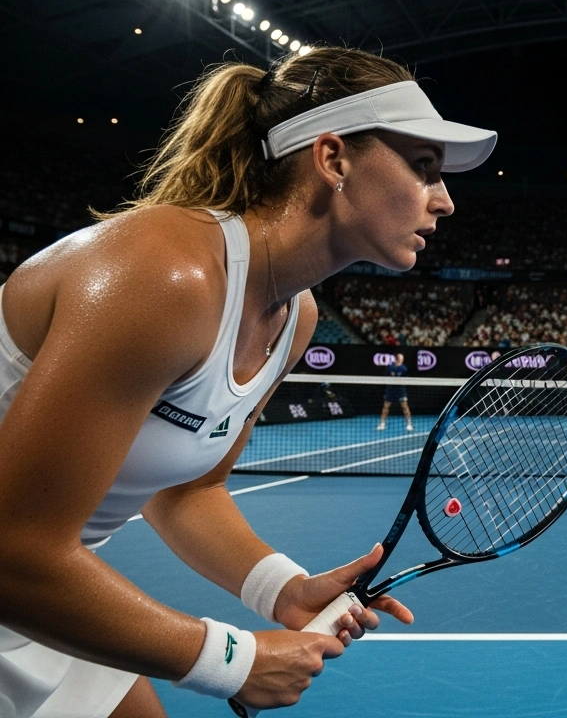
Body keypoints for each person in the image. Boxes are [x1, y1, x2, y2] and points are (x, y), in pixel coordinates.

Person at [0, 46, 497, 715]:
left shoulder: (295, 318)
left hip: (31, 594)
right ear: (334, 159)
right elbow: (12, 550)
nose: (446, 201)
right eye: (424, 166)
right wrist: (228, 661)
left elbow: (186, 487)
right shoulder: (167, 275)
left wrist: (283, 590)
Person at [377, 352, 413, 432]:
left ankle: (409, 424)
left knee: (405, 407)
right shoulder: (390, 367)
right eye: (401, 358)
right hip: (390, 390)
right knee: (386, 407)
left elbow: (405, 379)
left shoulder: (404, 369)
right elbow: (386, 377)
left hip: (400, 390)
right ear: (397, 359)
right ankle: (382, 424)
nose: (402, 360)